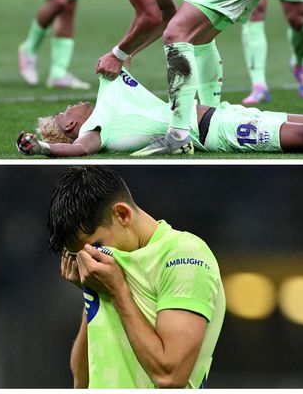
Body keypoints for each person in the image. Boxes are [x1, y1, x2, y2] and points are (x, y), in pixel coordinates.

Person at [58, 0, 275, 155]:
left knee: (177, 34)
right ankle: (212, 117)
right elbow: (165, 13)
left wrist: (117, 54)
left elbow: (149, 16)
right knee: (199, 39)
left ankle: (178, 136)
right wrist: (127, 53)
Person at [48, 166, 225, 387]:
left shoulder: (184, 254)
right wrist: (92, 293)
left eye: (96, 246)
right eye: (79, 254)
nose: (89, 259)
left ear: (122, 215)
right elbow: (81, 381)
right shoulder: (109, 275)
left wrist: (117, 292)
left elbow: (170, 377)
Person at [16, 69, 303, 156]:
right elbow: (75, 151)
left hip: (224, 113)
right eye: (64, 111)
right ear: (71, 124)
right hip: (217, 133)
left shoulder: (107, 89)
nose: (68, 106)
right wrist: (43, 148)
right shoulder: (95, 131)